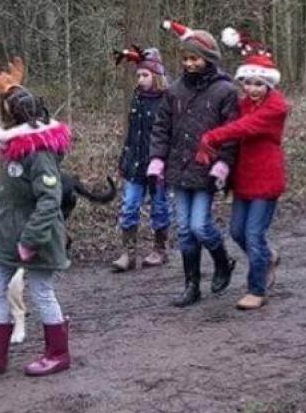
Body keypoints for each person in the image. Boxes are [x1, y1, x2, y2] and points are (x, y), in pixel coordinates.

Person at [0, 61, 72, 377]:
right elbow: (15, 187)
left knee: (41, 292)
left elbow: (50, 200)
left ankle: (58, 353)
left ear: (12, 116)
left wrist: (31, 240)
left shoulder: (39, 154)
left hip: (37, 238)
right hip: (8, 233)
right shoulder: (15, 148)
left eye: (4, 111)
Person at [197, 29, 289, 310]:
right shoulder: (242, 104)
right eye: (248, 83)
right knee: (237, 231)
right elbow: (234, 121)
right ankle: (267, 258)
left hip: (267, 179)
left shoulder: (276, 108)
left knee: (253, 234)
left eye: (259, 84)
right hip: (244, 179)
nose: (252, 89)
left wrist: (213, 137)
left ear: (269, 85)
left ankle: (256, 288)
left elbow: (243, 128)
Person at [149, 20, 239, 308]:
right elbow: (162, 127)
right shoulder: (174, 91)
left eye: (194, 58)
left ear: (208, 58)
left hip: (206, 169)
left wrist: (222, 165)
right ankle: (192, 285)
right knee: (185, 229)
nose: (189, 63)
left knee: (200, 226)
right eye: (185, 58)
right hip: (178, 167)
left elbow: (232, 133)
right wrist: (156, 160)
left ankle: (222, 261)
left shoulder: (224, 91)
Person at [111, 47, 171, 272]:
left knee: (160, 207)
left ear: (156, 75)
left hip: (158, 164)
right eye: (138, 75)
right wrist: (123, 161)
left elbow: (169, 134)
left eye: (145, 75)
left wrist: (166, 161)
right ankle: (128, 252)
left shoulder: (167, 100)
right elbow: (131, 134)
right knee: (129, 205)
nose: (140, 79)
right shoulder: (136, 98)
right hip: (135, 162)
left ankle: (160, 248)